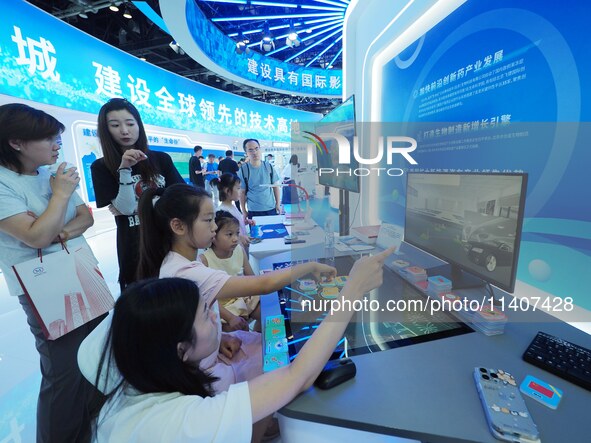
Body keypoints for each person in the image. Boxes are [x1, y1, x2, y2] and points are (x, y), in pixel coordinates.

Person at [87, 249, 393, 442]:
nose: (216, 316)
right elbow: (296, 376)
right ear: (180, 350)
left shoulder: (133, 379)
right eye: (206, 315)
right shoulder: (183, 424)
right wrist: (354, 289)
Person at [0, 103, 105, 442]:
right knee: (63, 372)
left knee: (98, 353)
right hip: (43, 287)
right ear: (16, 142)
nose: (57, 143)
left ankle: (95, 426)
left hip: (82, 271)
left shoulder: (51, 171)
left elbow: (84, 218)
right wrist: (59, 197)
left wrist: (56, 231)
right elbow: (35, 236)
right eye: (49, 138)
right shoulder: (5, 184)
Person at [90, 98, 184, 291]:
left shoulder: (160, 159)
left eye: (130, 123)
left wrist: (138, 206)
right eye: (115, 125)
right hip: (134, 249)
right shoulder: (101, 167)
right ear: (106, 130)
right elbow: (125, 209)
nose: (124, 130)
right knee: (143, 307)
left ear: (139, 125)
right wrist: (124, 169)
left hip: (169, 243)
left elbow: (180, 196)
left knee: (176, 302)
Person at [200, 210, 261, 332]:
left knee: (268, 314)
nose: (235, 239)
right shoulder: (205, 260)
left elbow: (252, 278)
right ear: (213, 236)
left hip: (243, 298)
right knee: (239, 329)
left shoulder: (239, 250)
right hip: (223, 308)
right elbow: (206, 299)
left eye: (237, 233)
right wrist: (230, 317)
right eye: (229, 234)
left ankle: (257, 339)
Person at [238, 139, 281, 217]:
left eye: (256, 148)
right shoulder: (244, 170)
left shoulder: (269, 167)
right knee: (256, 229)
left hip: (270, 208)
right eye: (250, 150)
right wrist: (244, 211)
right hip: (253, 210)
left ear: (260, 149)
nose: (254, 152)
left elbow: (276, 187)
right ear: (246, 153)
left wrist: (278, 204)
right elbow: (242, 192)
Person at [212, 173, 253, 249]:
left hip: (242, 247)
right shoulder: (222, 212)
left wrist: (244, 222)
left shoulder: (232, 206)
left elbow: (234, 224)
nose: (240, 191)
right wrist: (239, 237)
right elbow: (225, 234)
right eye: (238, 188)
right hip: (234, 251)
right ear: (227, 191)